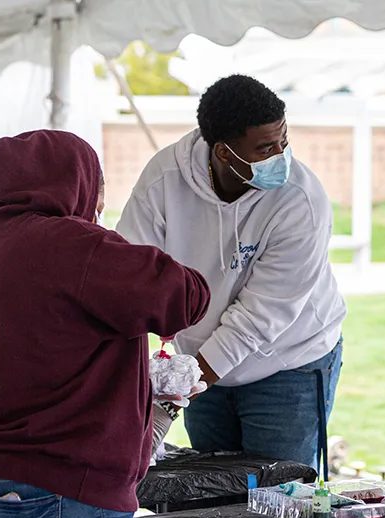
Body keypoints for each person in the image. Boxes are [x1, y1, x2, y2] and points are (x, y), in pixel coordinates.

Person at [0, 130, 210, 518]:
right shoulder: (74, 244)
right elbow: (185, 296)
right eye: (98, 188)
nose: (99, 203)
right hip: (57, 495)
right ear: (74, 183)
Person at [117, 75, 346, 477]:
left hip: (288, 362)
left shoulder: (301, 201)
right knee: (211, 495)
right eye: (266, 148)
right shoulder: (164, 180)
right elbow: (129, 275)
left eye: (284, 140)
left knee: (278, 496)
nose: (282, 156)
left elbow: (259, 318)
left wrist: (170, 402)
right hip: (200, 364)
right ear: (223, 151)